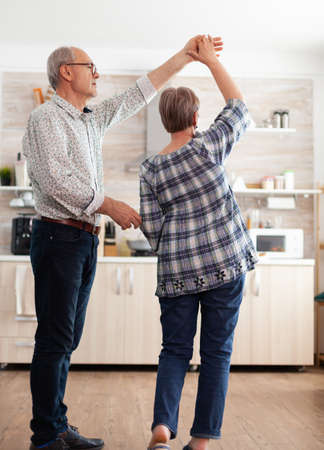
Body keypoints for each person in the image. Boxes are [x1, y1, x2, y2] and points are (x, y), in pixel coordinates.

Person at [23, 36, 222, 450]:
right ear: (66, 72)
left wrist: (185, 57)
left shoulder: (89, 119)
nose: (97, 73)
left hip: (80, 239)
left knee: (67, 339)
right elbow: (56, 180)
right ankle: (45, 436)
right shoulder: (46, 118)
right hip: (59, 235)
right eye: (90, 66)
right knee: (55, 339)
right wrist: (109, 204)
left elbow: (138, 94)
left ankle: (57, 425)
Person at [140, 36, 258, 450]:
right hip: (225, 265)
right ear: (194, 117)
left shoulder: (150, 169)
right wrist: (209, 62)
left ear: (164, 120)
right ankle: (201, 442)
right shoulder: (209, 147)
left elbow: (152, 231)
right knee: (216, 355)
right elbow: (239, 107)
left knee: (174, 350)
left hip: (176, 275)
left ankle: (161, 430)